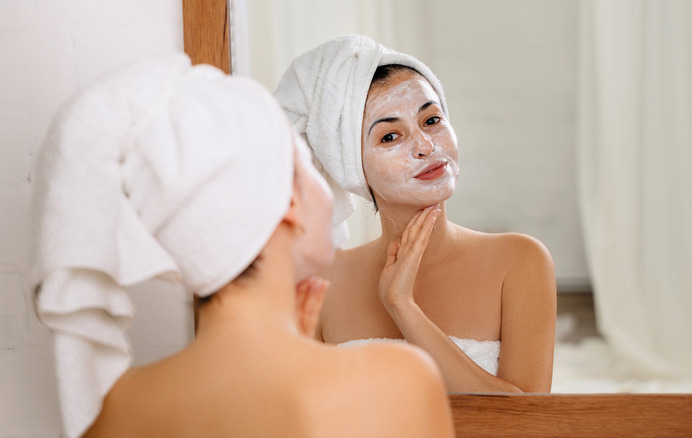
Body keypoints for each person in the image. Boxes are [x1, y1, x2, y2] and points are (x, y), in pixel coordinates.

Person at [32, 53, 454, 438]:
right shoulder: (396, 382)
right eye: (308, 166)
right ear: (288, 202)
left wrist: (298, 345)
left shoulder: (122, 408)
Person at [275, 35, 556, 393]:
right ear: (352, 164)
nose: (426, 146)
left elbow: (529, 421)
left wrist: (401, 306)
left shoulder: (520, 262)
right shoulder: (323, 283)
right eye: (390, 137)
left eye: (432, 119)